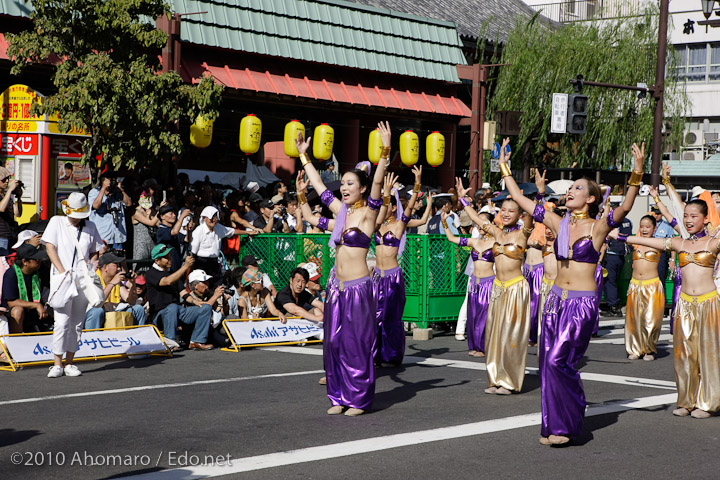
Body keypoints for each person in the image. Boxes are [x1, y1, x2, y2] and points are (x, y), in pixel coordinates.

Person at [499, 137, 644, 445]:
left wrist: (637, 171)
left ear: (591, 198)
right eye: (570, 188)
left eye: (578, 188)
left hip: (580, 304)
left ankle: (571, 417)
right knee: (547, 364)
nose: (571, 191)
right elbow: (520, 199)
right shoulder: (556, 219)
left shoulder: (599, 226)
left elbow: (627, 205)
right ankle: (555, 426)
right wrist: (503, 166)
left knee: (558, 362)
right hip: (554, 301)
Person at [295, 121, 390, 416]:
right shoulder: (341, 212)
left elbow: (377, 184)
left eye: (351, 183)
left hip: (359, 288)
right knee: (334, 342)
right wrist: (304, 156)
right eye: (344, 184)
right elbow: (321, 188)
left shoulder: (368, 214)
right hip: (336, 288)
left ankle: (358, 398)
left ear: (362, 189)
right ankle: (338, 396)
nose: (345, 188)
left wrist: (385, 152)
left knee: (356, 344)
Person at [611, 197, 720, 419]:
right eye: (686, 216)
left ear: (706, 219)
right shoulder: (680, 242)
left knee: (708, 354)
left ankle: (707, 402)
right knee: (683, 354)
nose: (688, 220)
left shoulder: (714, 243)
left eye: (694, 216)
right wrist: (621, 236)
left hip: (709, 303)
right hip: (685, 305)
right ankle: (686, 401)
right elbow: (654, 243)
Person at [457, 177, 533, 396]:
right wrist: (463, 200)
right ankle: (495, 378)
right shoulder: (497, 234)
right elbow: (476, 219)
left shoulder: (523, 233)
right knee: (494, 335)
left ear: (519, 215)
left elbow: (531, 213)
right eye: (504, 210)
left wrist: (536, 194)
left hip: (516, 289)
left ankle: (509, 381)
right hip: (497, 288)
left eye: (512, 211)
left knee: (511, 336)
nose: (507, 213)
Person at [43, 192, 104, 378]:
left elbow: (96, 250)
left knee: (77, 323)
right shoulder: (57, 222)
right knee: (61, 322)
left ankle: (70, 362)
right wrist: (61, 271)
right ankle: (57, 363)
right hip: (63, 277)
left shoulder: (91, 226)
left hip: (82, 279)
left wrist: (91, 265)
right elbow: (49, 247)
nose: (77, 219)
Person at [371, 167, 422, 366]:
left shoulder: (399, 225)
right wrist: (385, 192)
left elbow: (409, 208)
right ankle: (374, 355)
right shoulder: (375, 226)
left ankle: (391, 355)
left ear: (393, 208)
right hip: (376, 276)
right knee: (375, 317)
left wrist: (417, 183)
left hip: (392, 276)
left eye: (388, 205)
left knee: (392, 317)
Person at [440, 209, 495, 357]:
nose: (479, 226)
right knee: (474, 314)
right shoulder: (474, 241)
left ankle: (485, 347)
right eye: (477, 223)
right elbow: (452, 238)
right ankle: (476, 346)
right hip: (474, 283)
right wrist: (444, 222)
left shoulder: (497, 242)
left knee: (485, 316)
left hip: (488, 284)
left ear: (491, 224)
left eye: (482, 222)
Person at [145, 244, 214, 351]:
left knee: (206, 308)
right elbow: (167, 281)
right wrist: (185, 266)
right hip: (159, 314)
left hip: (178, 311)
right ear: (157, 261)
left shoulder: (173, 273)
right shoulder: (151, 273)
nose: (170, 259)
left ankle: (196, 341)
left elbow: (183, 293)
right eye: (166, 257)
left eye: (169, 256)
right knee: (172, 307)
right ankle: (170, 342)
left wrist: (196, 302)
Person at [622, 215, 664, 361]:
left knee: (651, 319)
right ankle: (634, 348)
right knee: (633, 319)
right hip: (635, 284)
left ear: (654, 228)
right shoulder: (636, 243)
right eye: (642, 226)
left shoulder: (659, 243)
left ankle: (649, 350)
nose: (644, 229)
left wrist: (672, 260)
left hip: (652, 285)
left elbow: (674, 246)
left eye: (648, 226)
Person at [83, 251, 145, 329]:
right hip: (93, 315)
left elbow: (131, 301)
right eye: (116, 265)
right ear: (105, 267)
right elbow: (97, 302)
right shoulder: (93, 278)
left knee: (138, 309)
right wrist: (112, 283)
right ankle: (93, 338)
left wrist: (133, 284)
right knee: (97, 311)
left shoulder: (116, 279)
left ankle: (139, 337)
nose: (119, 268)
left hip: (112, 314)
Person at [190, 206, 245, 283]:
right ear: (204, 218)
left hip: (215, 263)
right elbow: (193, 252)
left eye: (215, 218)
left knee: (217, 284)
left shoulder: (218, 228)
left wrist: (248, 232)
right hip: (201, 263)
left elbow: (232, 231)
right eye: (211, 218)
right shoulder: (198, 231)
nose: (213, 220)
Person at [3, 244, 49, 333]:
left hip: (36, 310)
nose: (39, 261)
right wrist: (36, 305)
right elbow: (11, 302)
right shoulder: (11, 274)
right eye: (36, 259)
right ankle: (17, 343)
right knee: (18, 311)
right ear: (25, 262)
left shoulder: (40, 270)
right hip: (16, 312)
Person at [88, 175, 132, 252]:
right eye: (109, 179)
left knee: (118, 261)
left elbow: (128, 203)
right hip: (102, 236)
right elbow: (95, 205)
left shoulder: (118, 192)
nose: (111, 181)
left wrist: (120, 190)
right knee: (103, 262)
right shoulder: (94, 192)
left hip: (117, 236)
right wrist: (103, 189)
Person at [603, 203, 632, 316]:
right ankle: (614, 304)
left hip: (611, 254)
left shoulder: (614, 222)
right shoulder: (628, 221)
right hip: (621, 255)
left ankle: (614, 306)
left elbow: (606, 236)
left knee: (610, 280)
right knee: (615, 280)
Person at [155, 204, 190, 274]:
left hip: (177, 266)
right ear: (162, 216)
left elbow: (186, 239)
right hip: (167, 269)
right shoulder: (161, 230)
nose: (174, 215)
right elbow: (174, 232)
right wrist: (182, 217)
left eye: (174, 213)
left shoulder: (171, 229)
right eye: (171, 214)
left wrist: (189, 230)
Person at [0, 166, 22, 255]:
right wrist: (9, 190)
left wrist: (18, 198)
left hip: (11, 235)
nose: (7, 181)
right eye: (3, 180)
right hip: (1, 236)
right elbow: (1, 208)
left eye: (8, 179)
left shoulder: (6, 196)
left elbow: (18, 213)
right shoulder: (6, 195)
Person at [131, 191, 158, 262]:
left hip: (151, 243)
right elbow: (151, 223)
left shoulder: (150, 210)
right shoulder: (136, 212)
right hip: (141, 245)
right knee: (140, 267)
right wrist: (159, 212)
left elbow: (158, 224)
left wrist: (152, 214)